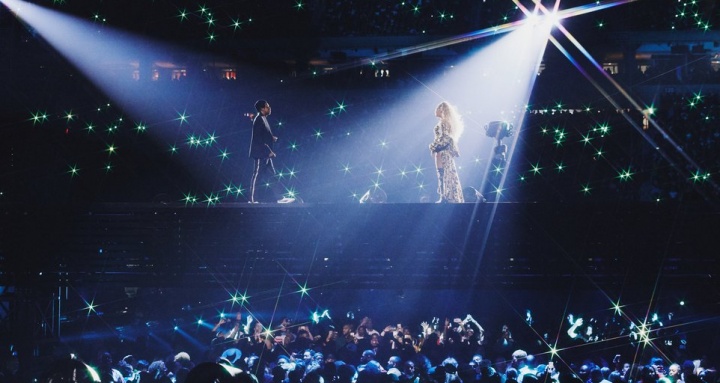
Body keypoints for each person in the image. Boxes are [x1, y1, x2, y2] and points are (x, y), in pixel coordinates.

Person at [248, 99, 295, 204]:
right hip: (261, 153)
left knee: (272, 175)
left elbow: (264, 135)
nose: (269, 108)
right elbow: (258, 138)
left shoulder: (263, 118)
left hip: (265, 154)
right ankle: (252, 200)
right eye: (267, 106)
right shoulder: (259, 119)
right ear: (262, 109)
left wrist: (271, 138)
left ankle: (279, 197)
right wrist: (267, 151)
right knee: (257, 175)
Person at [429, 101, 464, 203]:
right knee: (444, 173)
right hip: (442, 151)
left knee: (444, 174)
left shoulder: (444, 123)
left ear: (442, 110)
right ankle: (445, 196)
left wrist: (434, 147)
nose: (435, 110)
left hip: (442, 152)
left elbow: (446, 138)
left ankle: (446, 196)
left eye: (438, 108)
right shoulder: (444, 123)